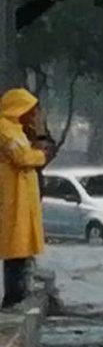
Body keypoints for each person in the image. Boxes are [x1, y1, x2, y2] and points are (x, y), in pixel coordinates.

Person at [0, 89, 48, 309]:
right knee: (15, 247)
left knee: (22, 247)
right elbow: (22, 157)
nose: (33, 115)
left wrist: (37, 135)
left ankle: (20, 293)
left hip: (22, 195)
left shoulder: (18, 131)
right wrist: (40, 155)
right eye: (30, 110)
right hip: (11, 194)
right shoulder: (4, 128)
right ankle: (13, 297)